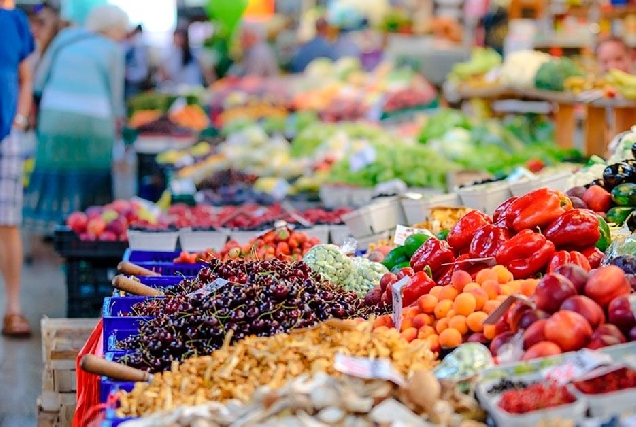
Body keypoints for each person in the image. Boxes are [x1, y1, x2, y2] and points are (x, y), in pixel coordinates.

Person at [23, 4, 127, 237]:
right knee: (92, 181)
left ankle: (50, 229)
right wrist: (119, 125)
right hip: (95, 123)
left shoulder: (66, 38)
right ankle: (88, 232)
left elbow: (39, 81)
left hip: (54, 118)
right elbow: (116, 96)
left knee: (55, 173)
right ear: (111, 28)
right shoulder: (113, 50)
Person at [0, 0, 35, 336]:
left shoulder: (15, 22)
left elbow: (26, 77)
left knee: (8, 221)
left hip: (7, 134)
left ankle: (13, 309)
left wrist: (21, 120)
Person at [124, 24, 150, 99]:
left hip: (135, 77)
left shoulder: (137, 44)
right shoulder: (133, 44)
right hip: (134, 77)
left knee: (133, 97)